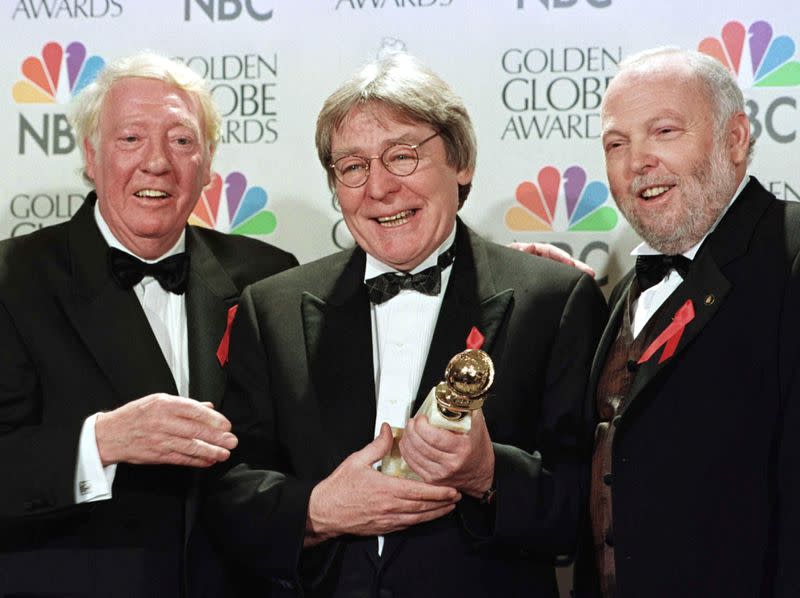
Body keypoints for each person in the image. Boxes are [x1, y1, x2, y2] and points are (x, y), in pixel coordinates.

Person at [202, 52, 607, 598]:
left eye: (402, 156)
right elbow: (227, 496)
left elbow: (586, 511)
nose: (378, 188)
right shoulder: (269, 308)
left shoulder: (554, 300)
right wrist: (317, 511)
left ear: (461, 161)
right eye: (352, 167)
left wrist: (488, 474)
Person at [0, 52, 297, 596]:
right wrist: (100, 441)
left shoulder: (269, 276)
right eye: (131, 138)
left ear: (208, 165)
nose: (157, 162)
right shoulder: (11, 278)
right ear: (91, 155)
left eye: (182, 141)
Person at [573, 47, 800, 597]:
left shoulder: (791, 255)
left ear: (736, 138)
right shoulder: (628, 289)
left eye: (664, 131)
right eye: (616, 144)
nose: (637, 162)